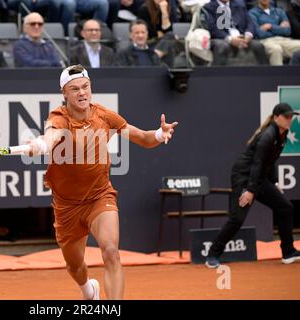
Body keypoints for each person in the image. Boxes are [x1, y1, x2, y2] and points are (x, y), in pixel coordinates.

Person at [26, 64, 178, 299]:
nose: (82, 93)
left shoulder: (104, 116)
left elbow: (142, 138)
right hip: (67, 206)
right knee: (75, 267)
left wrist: (159, 134)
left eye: (85, 87)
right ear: (64, 94)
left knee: (111, 252)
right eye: (74, 89)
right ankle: (88, 290)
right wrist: (41, 144)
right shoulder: (59, 117)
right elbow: (52, 135)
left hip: (99, 197)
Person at [206, 103, 300, 268]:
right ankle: (212, 254)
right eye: (286, 117)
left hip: (258, 178)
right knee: (237, 219)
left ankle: (288, 252)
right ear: (276, 117)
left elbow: (270, 161)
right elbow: (257, 163)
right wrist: (250, 191)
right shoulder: (268, 136)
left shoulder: (282, 134)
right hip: (244, 177)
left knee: (285, 207)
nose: (289, 120)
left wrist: (275, 183)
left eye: (291, 117)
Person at [203, 0, 269, 65]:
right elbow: (213, 29)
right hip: (222, 37)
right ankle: (217, 74)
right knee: (222, 46)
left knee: (258, 45)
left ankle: (266, 74)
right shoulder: (208, 7)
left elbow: (250, 23)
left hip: (241, 36)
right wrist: (230, 39)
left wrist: (248, 34)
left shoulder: (240, 4)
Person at [249, 0, 300, 65]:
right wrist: (279, 28)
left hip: (283, 40)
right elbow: (259, 33)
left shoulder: (279, 11)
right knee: (276, 49)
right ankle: (279, 75)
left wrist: (270, 26)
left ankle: (293, 74)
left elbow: (287, 31)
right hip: (265, 41)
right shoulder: (252, 13)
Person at [137, 0, 184, 67]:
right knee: (170, 41)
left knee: (170, 38)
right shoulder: (144, 9)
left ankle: (154, 59)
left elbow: (169, 31)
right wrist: (158, 34)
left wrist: (164, 13)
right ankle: (164, 67)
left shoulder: (169, 8)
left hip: (163, 42)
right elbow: (147, 32)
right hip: (150, 43)